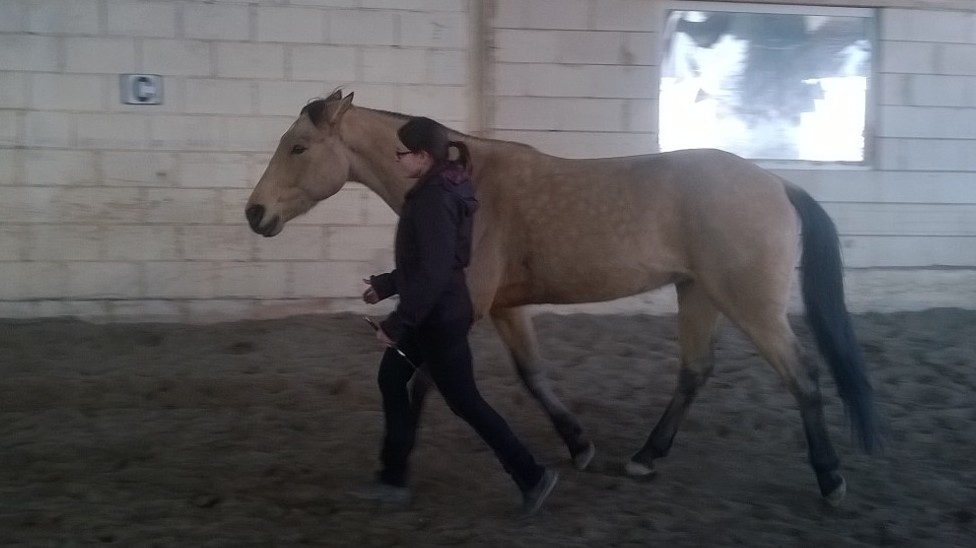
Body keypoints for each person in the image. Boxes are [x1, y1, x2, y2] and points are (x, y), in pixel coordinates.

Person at [354, 116, 558, 516]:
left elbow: (433, 272)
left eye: (402, 153)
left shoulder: (433, 199)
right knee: (391, 377)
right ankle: (393, 477)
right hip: (433, 312)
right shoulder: (438, 188)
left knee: (467, 404)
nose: (397, 160)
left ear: (423, 156)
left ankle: (533, 476)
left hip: (438, 319)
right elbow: (429, 263)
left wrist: (397, 323)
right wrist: (386, 284)